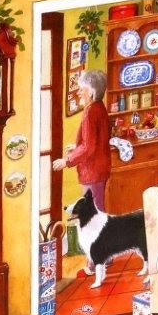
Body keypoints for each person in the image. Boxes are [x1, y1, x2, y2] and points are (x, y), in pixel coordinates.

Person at [53, 69, 111, 210]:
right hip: (100, 168)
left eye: (81, 89)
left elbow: (88, 147)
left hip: (92, 170)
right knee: (96, 208)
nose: (78, 92)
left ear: (91, 92)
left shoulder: (90, 112)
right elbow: (96, 140)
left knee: (93, 212)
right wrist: (77, 146)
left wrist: (67, 161)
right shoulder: (100, 107)